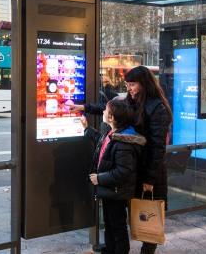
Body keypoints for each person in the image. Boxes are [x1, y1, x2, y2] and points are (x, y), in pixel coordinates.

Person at [72, 66, 172, 254]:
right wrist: (85, 107)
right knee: (121, 216)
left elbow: (158, 148)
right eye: (127, 84)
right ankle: (114, 248)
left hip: (150, 170)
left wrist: (150, 179)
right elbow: (111, 108)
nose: (129, 88)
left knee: (148, 213)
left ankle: (147, 250)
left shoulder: (157, 107)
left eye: (132, 84)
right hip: (133, 165)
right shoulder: (133, 101)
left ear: (145, 84)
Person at [83, 99, 145, 254]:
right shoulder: (114, 134)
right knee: (110, 224)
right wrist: (87, 129)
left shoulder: (124, 141)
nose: (103, 112)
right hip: (111, 190)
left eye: (105, 110)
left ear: (111, 117)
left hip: (117, 191)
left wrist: (99, 178)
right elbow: (102, 143)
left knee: (118, 227)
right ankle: (110, 249)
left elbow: (123, 172)